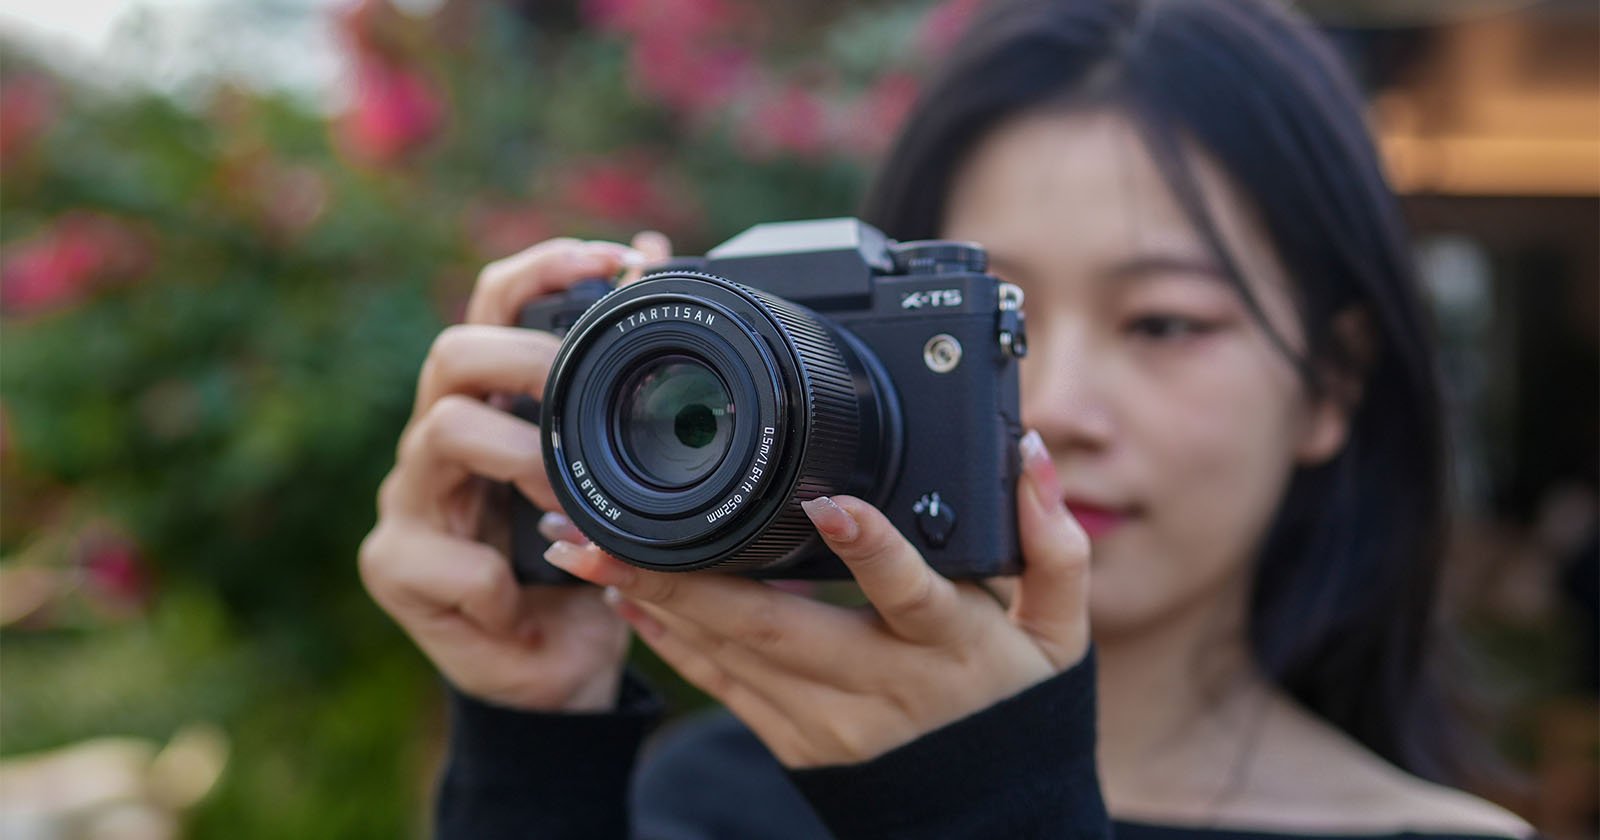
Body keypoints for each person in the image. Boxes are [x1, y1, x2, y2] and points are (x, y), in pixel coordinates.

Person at [358, 0, 1540, 837]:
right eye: (991, 328)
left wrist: (985, 809)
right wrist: (532, 738)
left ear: (1329, 387)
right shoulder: (703, 801)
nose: (1058, 409)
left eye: (1166, 324)